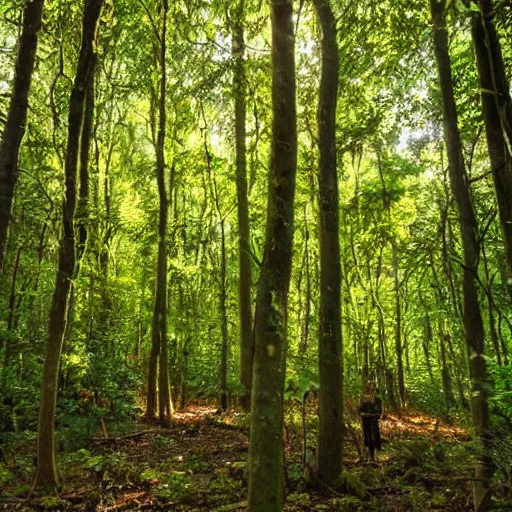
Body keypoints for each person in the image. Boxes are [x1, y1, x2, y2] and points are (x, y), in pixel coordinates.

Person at [358, 381, 382, 461]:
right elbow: (360, 409)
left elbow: (379, 411)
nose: (372, 388)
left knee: (373, 437)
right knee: (367, 437)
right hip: (365, 419)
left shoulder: (377, 398)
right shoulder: (363, 397)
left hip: (373, 419)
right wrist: (364, 404)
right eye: (370, 386)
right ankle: (366, 455)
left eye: (373, 386)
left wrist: (373, 404)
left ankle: (373, 456)